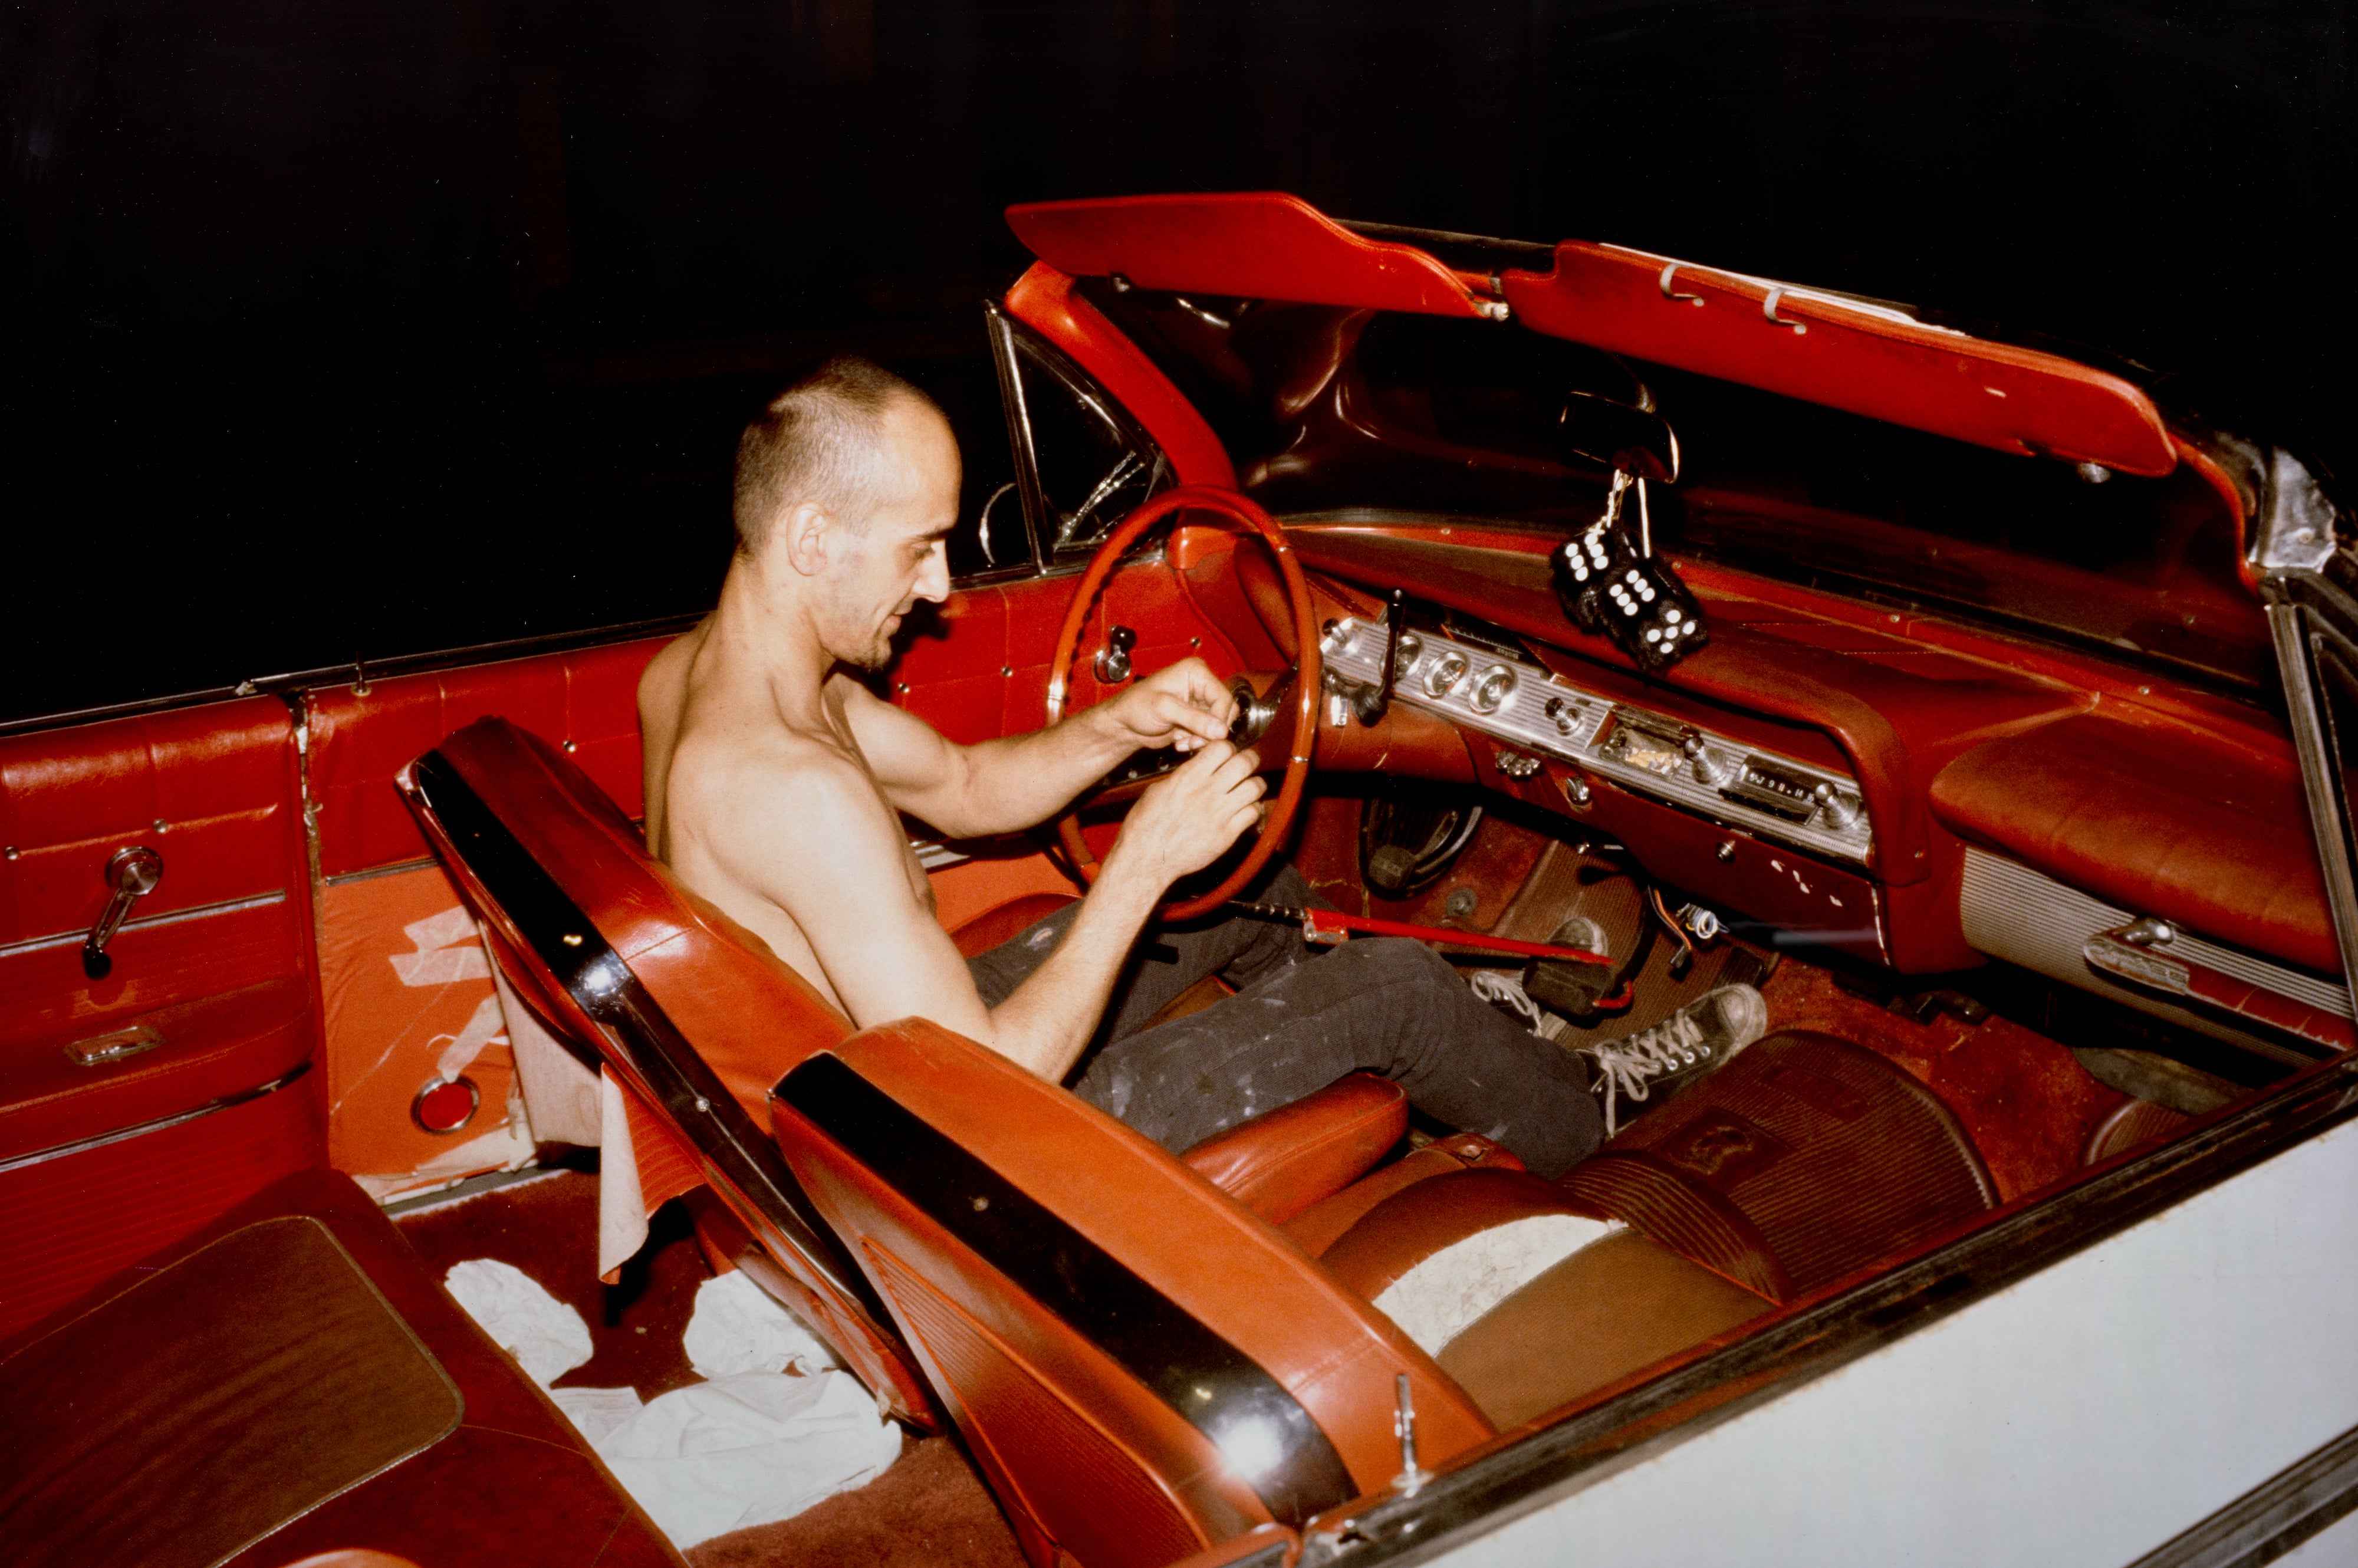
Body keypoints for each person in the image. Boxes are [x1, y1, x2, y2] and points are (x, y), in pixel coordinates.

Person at [639, 356, 1760, 1180]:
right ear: (812, 539)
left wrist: (1118, 726)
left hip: (878, 1059)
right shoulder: (796, 788)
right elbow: (985, 1088)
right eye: (919, 547)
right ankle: (1588, 1107)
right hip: (942, 1157)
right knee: (1398, 990)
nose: (938, 589)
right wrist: (1139, 865)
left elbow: (969, 792)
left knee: (1247, 884)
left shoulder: (706, 678)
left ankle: (1466, 1059)